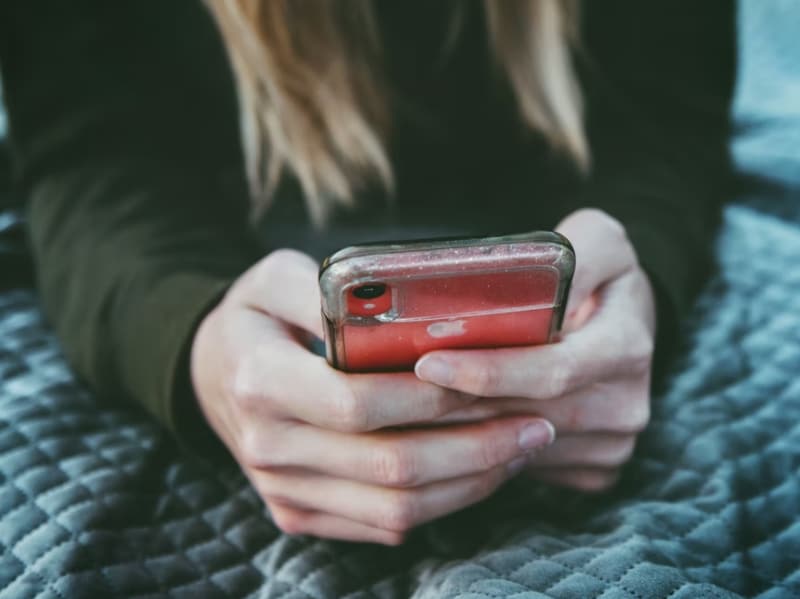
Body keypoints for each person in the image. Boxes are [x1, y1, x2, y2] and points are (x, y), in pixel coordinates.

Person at [0, 0, 735, 545]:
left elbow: (668, 122)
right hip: (221, 209)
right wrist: (197, 343)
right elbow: (93, 156)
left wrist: (637, 286)